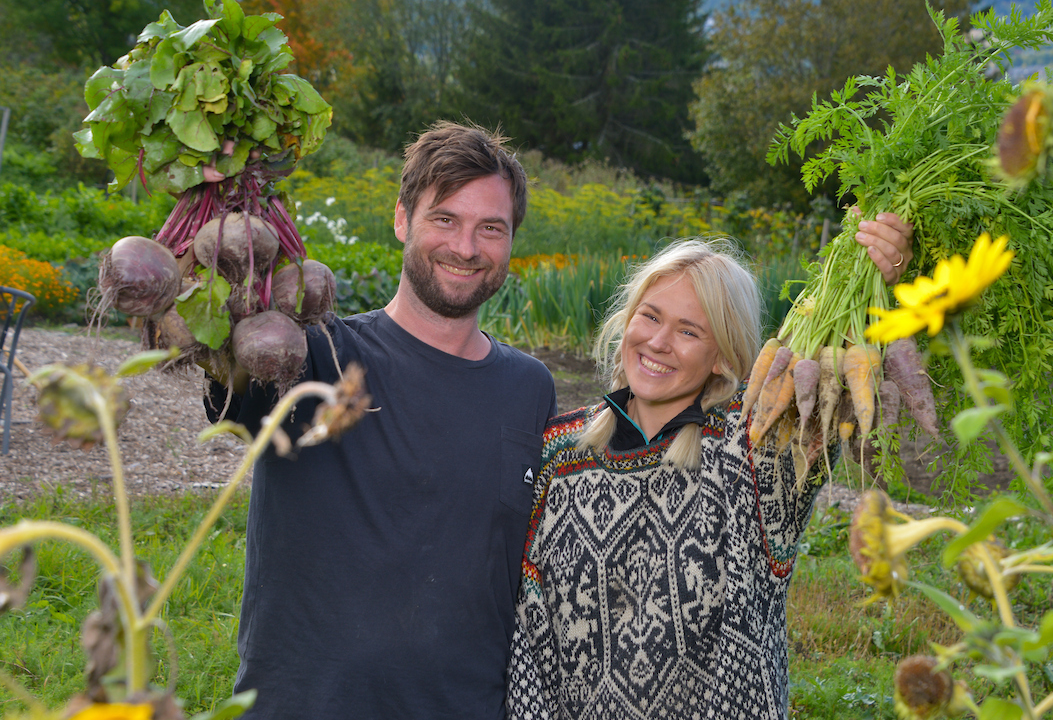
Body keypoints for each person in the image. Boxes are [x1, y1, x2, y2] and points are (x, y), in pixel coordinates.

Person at [207, 121, 557, 719]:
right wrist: (219, 201)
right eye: (444, 218)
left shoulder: (529, 388)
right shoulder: (312, 354)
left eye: (490, 228)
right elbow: (217, 339)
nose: (466, 247)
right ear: (401, 219)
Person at [506, 227, 911, 720]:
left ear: (721, 357)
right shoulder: (560, 453)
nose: (658, 342)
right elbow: (530, 634)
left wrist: (878, 278)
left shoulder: (755, 448)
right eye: (650, 316)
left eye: (688, 331)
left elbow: (836, 378)